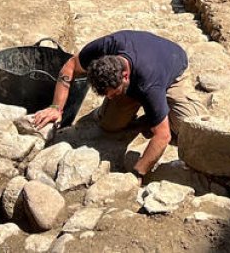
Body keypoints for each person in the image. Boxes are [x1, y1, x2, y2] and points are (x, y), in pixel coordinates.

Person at [31, 31, 208, 177]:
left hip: (171, 69)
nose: (111, 97)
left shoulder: (148, 83)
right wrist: (56, 107)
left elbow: (163, 137)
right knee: (110, 125)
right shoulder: (103, 48)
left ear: (124, 76)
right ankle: (152, 111)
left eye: (114, 93)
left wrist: (138, 172)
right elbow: (69, 66)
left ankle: (161, 110)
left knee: (190, 130)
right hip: (138, 77)